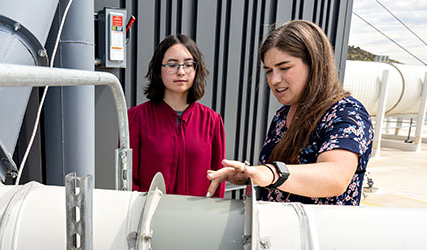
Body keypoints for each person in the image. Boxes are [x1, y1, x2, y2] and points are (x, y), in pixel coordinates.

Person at [206, 20, 373, 205]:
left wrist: (270, 173)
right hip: (279, 228)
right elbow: (283, 181)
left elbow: (335, 177)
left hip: (319, 232)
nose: (274, 80)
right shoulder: (282, 115)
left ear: (314, 64)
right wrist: (250, 175)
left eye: (284, 68)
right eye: (269, 71)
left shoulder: (346, 113)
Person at [129, 34, 226, 198]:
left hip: (196, 217)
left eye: (188, 65)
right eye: (172, 65)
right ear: (159, 71)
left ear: (196, 70)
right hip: (149, 217)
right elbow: (130, 180)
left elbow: (218, 180)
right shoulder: (136, 118)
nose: (181, 72)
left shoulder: (212, 121)